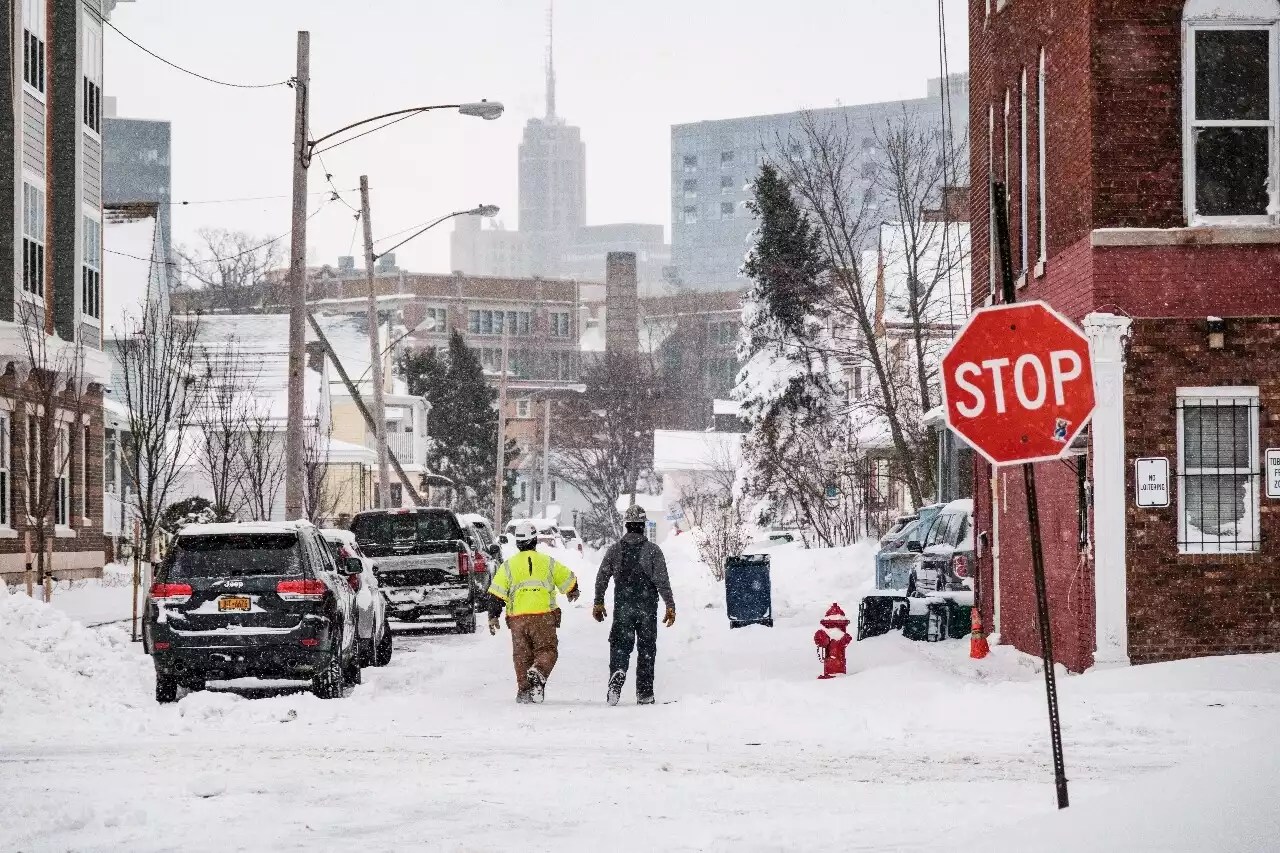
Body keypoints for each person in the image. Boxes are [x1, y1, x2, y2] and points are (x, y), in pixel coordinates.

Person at [487, 520, 580, 704]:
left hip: (518, 620)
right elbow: (568, 579)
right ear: (535, 541)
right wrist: (572, 591)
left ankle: (524, 691)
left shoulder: (508, 566)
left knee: (521, 656)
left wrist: (493, 616)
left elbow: (496, 593)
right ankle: (539, 671)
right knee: (547, 650)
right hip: (543, 617)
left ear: (518, 543)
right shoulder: (547, 562)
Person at [593, 505, 676, 706]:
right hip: (647, 608)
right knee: (647, 649)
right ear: (643, 525)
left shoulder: (615, 550)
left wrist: (598, 601)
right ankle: (645, 693)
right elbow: (662, 581)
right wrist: (670, 605)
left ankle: (618, 672)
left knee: (620, 645)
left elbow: (602, 576)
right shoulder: (653, 551)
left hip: (623, 608)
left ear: (627, 525)